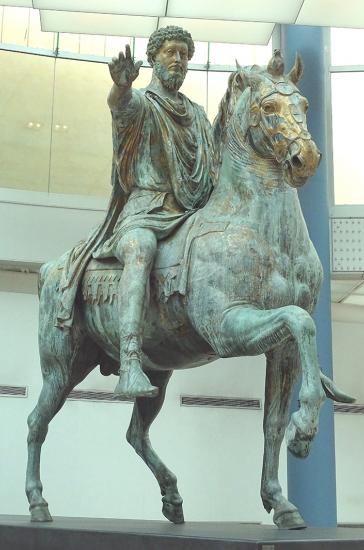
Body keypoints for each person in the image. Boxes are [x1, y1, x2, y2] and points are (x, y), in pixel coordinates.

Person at [57, 26, 214, 398]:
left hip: (188, 213)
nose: (179, 60)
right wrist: (121, 86)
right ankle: (129, 359)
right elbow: (120, 107)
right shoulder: (143, 102)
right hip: (144, 211)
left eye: (185, 55)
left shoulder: (196, 113)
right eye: (171, 52)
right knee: (140, 250)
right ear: (154, 59)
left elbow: (216, 162)